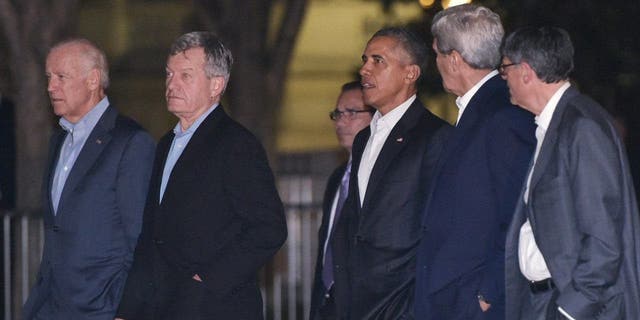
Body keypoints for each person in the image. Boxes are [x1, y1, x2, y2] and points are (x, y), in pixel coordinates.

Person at [115, 31, 287, 320]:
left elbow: (268, 228)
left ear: (216, 84)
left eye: (186, 75)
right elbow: (152, 236)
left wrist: (206, 279)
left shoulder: (236, 144)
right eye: (169, 74)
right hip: (165, 306)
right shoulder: (166, 144)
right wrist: (127, 309)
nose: (172, 84)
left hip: (215, 307)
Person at [501, 26, 640, 320]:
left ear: (525, 71)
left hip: (572, 307)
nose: (504, 79)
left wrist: (570, 310)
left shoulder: (581, 126)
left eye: (504, 69)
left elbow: (604, 238)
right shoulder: (553, 124)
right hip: (543, 301)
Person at [414, 5, 536, 320]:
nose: (435, 64)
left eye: (437, 55)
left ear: (454, 59)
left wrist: (486, 294)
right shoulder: (486, 108)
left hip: (473, 301)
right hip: (454, 294)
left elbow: (517, 213)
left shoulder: (504, 114)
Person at [21, 39, 155, 320]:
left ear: (93, 80)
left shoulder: (130, 142)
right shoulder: (59, 140)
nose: (50, 87)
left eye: (61, 77)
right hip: (50, 305)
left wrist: (126, 309)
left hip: (102, 309)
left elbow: (141, 239)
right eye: (48, 77)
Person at [331, 27, 451, 319]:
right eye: (365, 59)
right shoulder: (363, 140)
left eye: (377, 60)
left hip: (404, 303)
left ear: (410, 73)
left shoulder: (435, 137)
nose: (364, 69)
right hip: (355, 302)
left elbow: (440, 230)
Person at [309, 81, 374, 320]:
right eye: (338, 113)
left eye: (352, 113)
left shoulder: (378, 179)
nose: (341, 121)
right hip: (327, 304)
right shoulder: (337, 179)